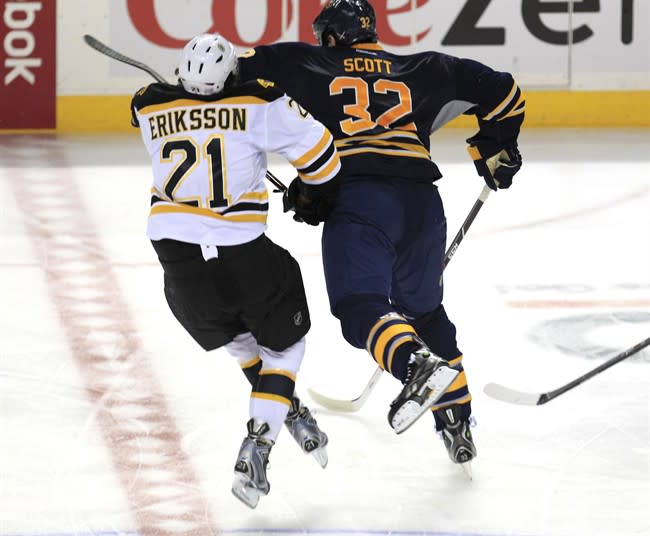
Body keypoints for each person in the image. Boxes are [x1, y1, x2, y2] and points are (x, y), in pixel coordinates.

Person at [237, 0, 524, 470]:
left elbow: (232, 71)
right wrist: (495, 148)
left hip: (360, 200)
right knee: (426, 312)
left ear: (330, 36)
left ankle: (415, 366)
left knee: (361, 309)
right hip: (422, 206)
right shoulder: (424, 66)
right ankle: (457, 420)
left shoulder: (304, 61)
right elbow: (504, 92)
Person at [130, 33, 340, 508]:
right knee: (286, 347)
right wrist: (312, 194)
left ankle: (284, 405)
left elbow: (162, 111)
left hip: (176, 258)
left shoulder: (147, 107)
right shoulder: (259, 98)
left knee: (240, 341)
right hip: (240, 251)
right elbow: (323, 156)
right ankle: (259, 442)